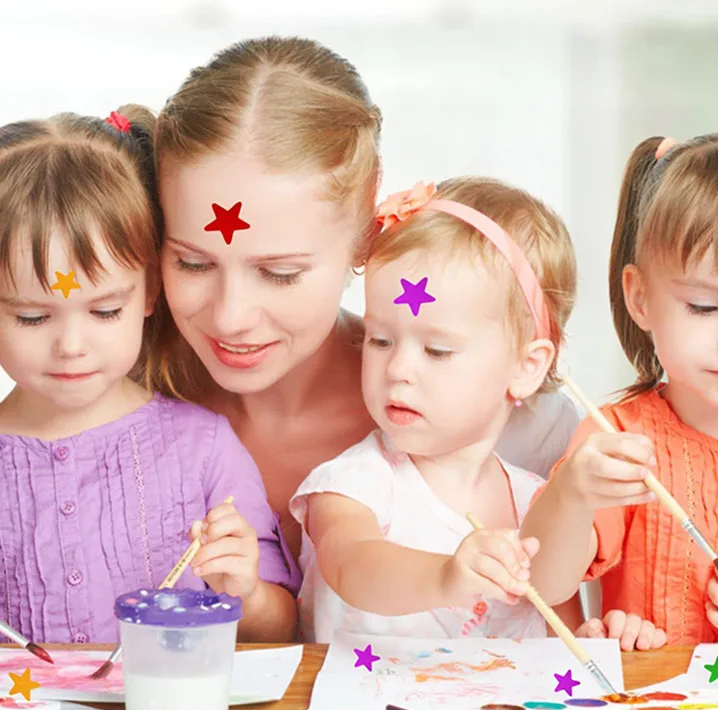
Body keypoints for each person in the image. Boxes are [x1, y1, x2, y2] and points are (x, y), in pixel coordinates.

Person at [150, 36, 581, 567]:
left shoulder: (519, 419)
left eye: (280, 273)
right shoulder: (115, 404)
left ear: (363, 230)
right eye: (193, 264)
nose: (230, 316)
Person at [289, 177, 665, 648]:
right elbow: (352, 566)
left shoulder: (538, 504)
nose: (399, 368)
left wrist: (598, 640)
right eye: (380, 340)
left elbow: (560, 632)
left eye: (438, 350)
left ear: (527, 368)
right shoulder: (353, 484)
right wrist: (446, 577)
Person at [0, 107, 299, 644]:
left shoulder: (202, 448)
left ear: (151, 291)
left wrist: (245, 592)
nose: (71, 346)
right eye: (32, 317)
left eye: (105, 311)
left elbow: (282, 630)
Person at [523, 134, 718, 645]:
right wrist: (571, 494)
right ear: (640, 297)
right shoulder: (617, 439)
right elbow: (543, 584)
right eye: (704, 306)